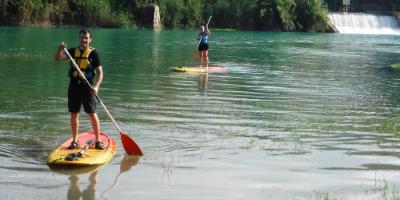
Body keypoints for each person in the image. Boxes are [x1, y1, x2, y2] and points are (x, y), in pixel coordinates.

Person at [54, 28, 104, 150]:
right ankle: (75, 141)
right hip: (74, 86)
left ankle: (98, 141)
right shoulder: (71, 51)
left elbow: (100, 72)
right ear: (79, 38)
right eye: (82, 37)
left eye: (86, 38)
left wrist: (96, 86)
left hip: (88, 87)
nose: (84, 40)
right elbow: (58, 58)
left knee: (92, 113)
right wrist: (60, 49)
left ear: (90, 39)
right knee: (74, 113)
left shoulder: (94, 54)